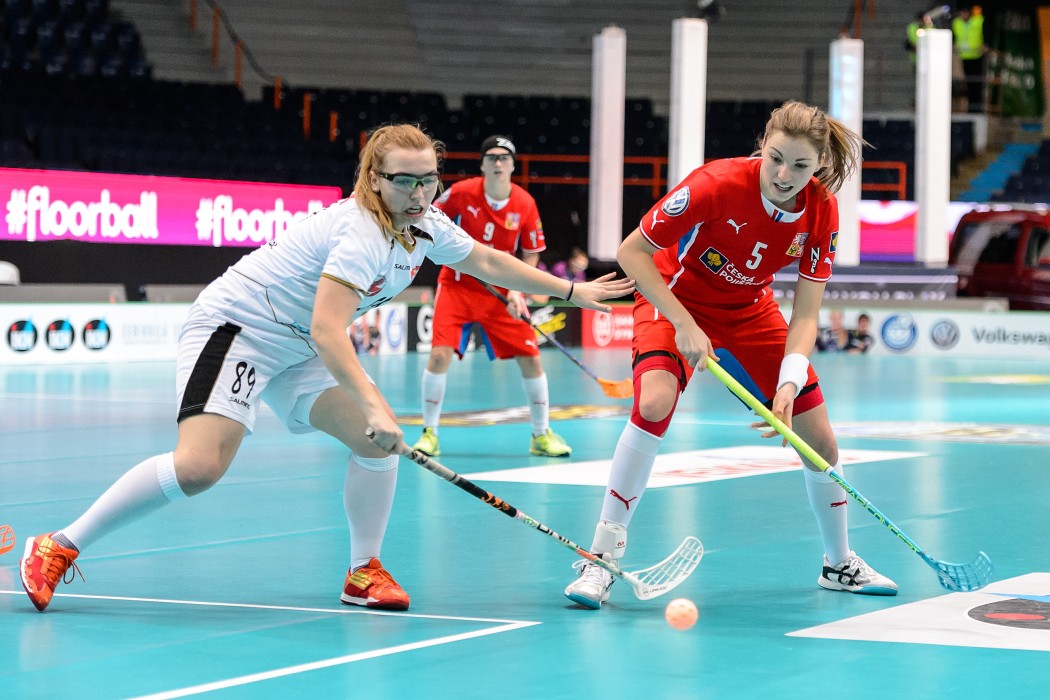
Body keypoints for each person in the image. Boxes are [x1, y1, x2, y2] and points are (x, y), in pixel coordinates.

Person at [19, 124, 633, 613]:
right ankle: (58, 545)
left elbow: (490, 262)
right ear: (374, 177)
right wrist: (371, 401)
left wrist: (572, 293)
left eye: (430, 181)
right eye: (406, 183)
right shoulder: (360, 233)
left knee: (375, 445)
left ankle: (363, 571)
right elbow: (326, 327)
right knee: (200, 467)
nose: (421, 194)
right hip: (239, 332)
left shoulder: (424, 223)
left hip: (299, 348)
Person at [563, 100, 898, 610]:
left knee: (822, 447)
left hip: (751, 311)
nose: (785, 175)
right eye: (776, 158)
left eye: (801, 166)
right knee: (653, 404)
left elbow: (807, 313)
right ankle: (601, 559)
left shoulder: (822, 209)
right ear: (763, 145)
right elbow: (633, 253)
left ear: (819, 168)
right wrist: (682, 322)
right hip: (675, 295)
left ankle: (839, 563)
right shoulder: (714, 184)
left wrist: (789, 380)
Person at [412, 135, 573, 459]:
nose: (498, 163)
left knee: (531, 359)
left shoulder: (525, 203)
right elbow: (426, 219)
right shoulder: (461, 192)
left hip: (501, 290)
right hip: (458, 285)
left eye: (504, 158)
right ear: (483, 164)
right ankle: (429, 433)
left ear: (513, 166)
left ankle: (541, 434)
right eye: (492, 157)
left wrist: (517, 289)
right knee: (439, 355)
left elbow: (530, 254)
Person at [952, 5, 987, 113]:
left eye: (965, 13)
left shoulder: (978, 21)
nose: (963, 15)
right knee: (967, 84)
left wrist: (985, 45)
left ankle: (977, 108)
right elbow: (955, 36)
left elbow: (985, 33)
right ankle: (970, 108)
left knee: (977, 84)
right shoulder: (957, 23)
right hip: (964, 57)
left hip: (977, 56)